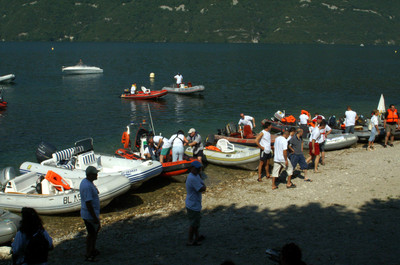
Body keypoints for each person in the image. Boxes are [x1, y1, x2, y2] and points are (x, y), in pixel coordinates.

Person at [80, 166, 101, 262]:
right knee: (91, 234)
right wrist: (94, 217)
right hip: (89, 215)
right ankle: (88, 253)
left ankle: (92, 249)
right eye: (95, 173)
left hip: (91, 214)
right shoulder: (87, 186)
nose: (97, 175)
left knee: (95, 231)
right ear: (90, 175)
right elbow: (88, 203)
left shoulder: (88, 182)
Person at [185, 161, 206, 246]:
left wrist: (203, 185)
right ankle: (190, 240)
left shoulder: (196, 175)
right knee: (193, 224)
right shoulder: (192, 178)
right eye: (196, 168)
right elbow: (201, 188)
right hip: (192, 205)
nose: (197, 170)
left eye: (199, 169)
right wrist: (204, 187)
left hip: (195, 203)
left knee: (196, 223)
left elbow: (202, 183)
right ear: (191, 168)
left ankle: (197, 237)